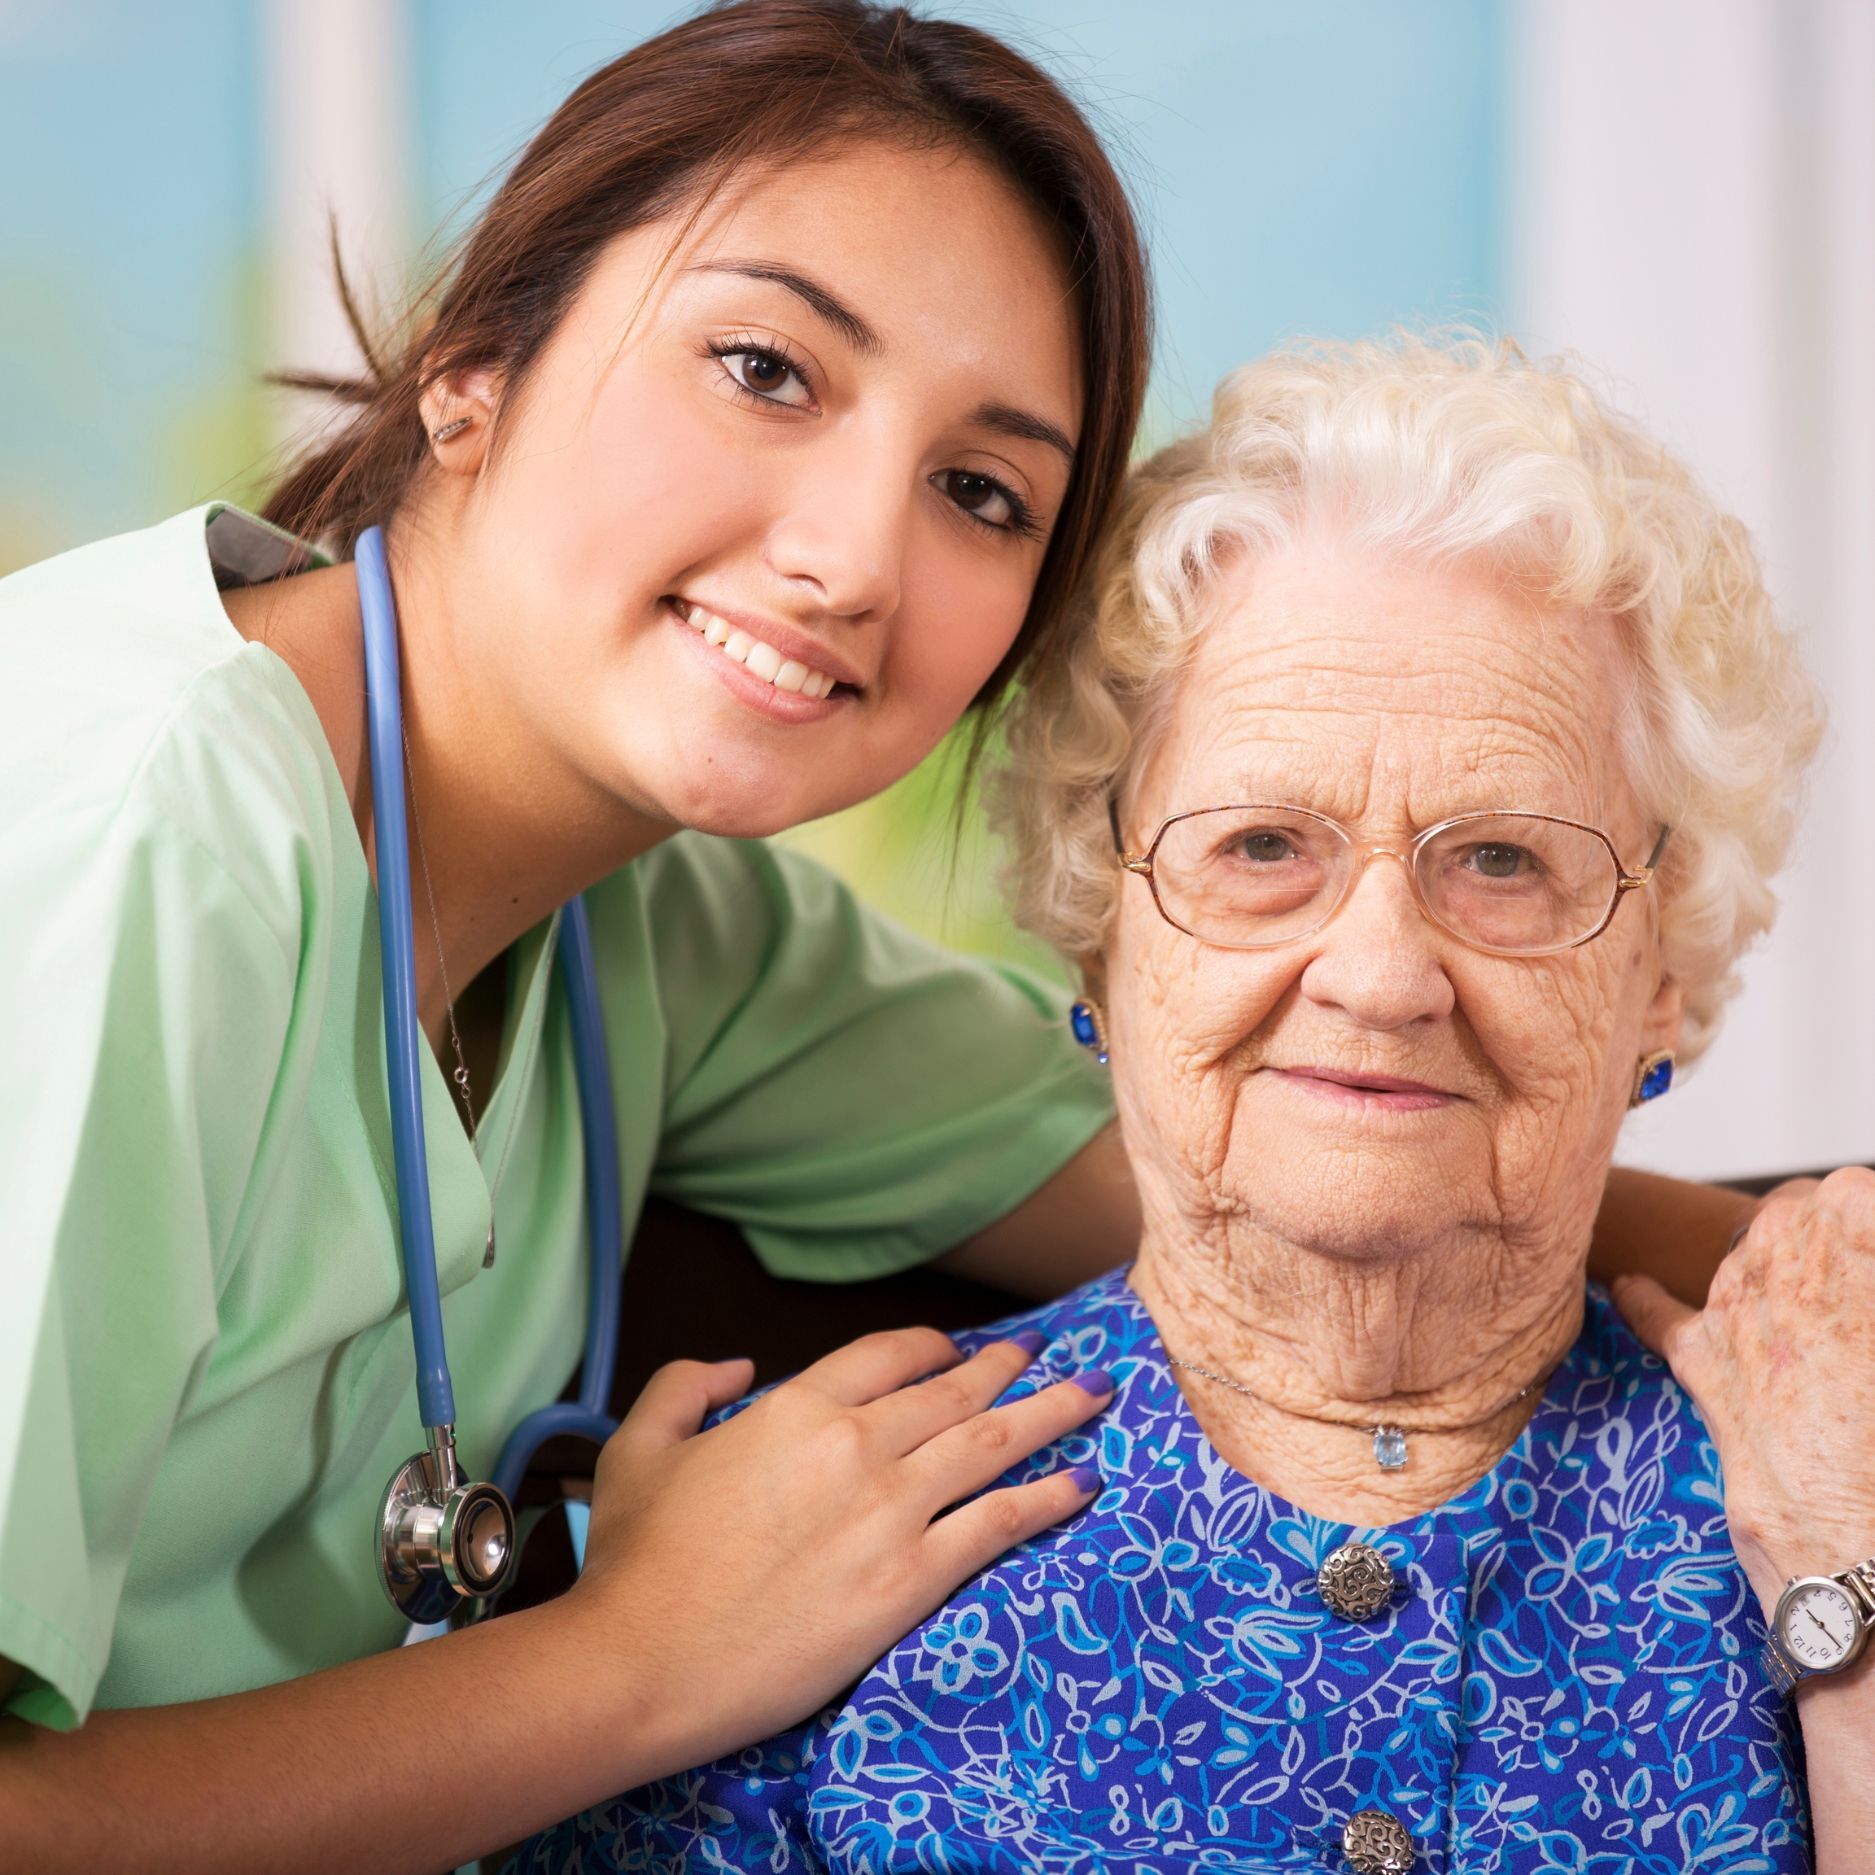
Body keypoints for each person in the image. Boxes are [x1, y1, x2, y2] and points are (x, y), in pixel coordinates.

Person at [0, 7, 1770, 1869]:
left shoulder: (654, 921)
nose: (856, 556)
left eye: (981, 491)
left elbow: (1290, 1128)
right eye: (764, 367)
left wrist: (1808, 1281)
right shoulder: (123, 821)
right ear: (473, 367)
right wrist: (644, 1664)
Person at [522, 332, 1875, 1873]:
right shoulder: (767, 1568)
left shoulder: (1839, 1490)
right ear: (1102, 923)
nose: (1379, 973)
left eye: (1502, 860)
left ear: (1661, 971)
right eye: (1259, 850)